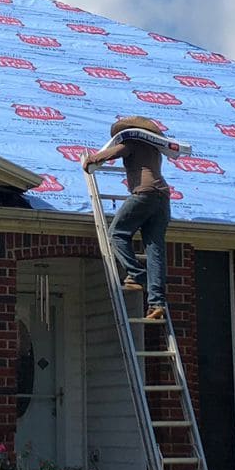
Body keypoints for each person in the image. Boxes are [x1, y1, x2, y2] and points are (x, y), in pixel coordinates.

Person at [82, 116, 171, 320]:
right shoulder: (155, 149)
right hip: (163, 197)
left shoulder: (131, 142)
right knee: (155, 248)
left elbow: (113, 153)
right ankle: (156, 302)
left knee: (116, 234)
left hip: (144, 193)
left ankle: (139, 276)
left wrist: (91, 160)